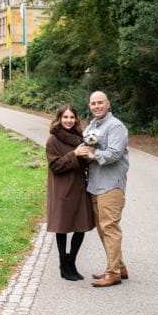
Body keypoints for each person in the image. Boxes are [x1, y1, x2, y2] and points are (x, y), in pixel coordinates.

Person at [74, 91, 130, 287]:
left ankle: (113, 273)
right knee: (103, 229)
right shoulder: (91, 126)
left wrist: (93, 155)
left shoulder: (116, 126)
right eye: (93, 103)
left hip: (110, 185)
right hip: (95, 185)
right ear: (90, 106)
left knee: (110, 228)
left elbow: (115, 153)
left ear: (108, 104)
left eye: (100, 102)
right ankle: (119, 267)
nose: (97, 106)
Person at [45, 104, 95, 281]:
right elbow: (55, 165)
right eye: (65, 117)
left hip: (79, 187)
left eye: (71, 117)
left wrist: (89, 156)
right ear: (59, 119)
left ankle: (71, 262)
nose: (68, 120)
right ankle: (63, 264)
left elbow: (83, 163)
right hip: (62, 189)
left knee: (81, 226)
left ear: (76, 119)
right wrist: (74, 154)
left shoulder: (80, 138)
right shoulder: (53, 140)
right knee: (62, 227)